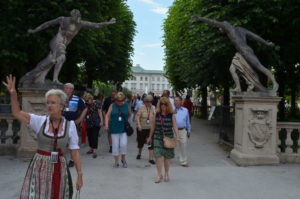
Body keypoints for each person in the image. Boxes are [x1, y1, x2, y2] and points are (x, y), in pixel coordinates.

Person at [3, 75, 83, 199]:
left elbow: (75, 152)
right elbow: (17, 113)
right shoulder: (39, 121)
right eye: (48, 102)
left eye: (53, 103)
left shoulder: (70, 126)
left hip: (59, 167)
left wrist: (80, 174)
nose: (49, 105)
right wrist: (13, 94)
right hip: (40, 166)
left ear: (62, 106)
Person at [19, 9, 116, 85]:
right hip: (56, 42)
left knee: (50, 61)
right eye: (77, 17)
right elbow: (47, 24)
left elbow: (96, 25)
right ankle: (55, 80)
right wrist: (34, 30)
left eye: (79, 17)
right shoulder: (62, 20)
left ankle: (30, 76)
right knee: (61, 57)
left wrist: (108, 23)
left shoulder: (80, 23)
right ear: (72, 16)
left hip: (63, 45)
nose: (78, 20)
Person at [147, 97, 180, 183]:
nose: (163, 106)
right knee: (157, 156)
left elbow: (175, 126)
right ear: (159, 105)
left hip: (168, 138)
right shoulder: (156, 114)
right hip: (158, 137)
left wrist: (177, 136)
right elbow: (153, 126)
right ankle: (159, 174)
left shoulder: (171, 115)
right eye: (161, 104)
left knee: (167, 157)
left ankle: (166, 173)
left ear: (168, 105)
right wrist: (150, 137)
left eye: (165, 104)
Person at [105, 92, 131, 168]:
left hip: (123, 128)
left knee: (124, 144)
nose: (120, 102)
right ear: (115, 100)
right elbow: (107, 115)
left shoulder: (126, 105)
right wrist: (106, 125)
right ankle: (116, 162)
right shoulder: (112, 105)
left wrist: (126, 121)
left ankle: (123, 159)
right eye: (118, 101)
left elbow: (129, 114)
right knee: (115, 145)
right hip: (114, 128)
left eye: (122, 100)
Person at [63, 82, 86, 167]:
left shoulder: (77, 99)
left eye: (68, 88)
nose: (66, 90)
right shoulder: (59, 98)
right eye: (65, 88)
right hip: (61, 122)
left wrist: (80, 119)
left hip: (72, 123)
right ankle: (60, 159)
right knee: (61, 140)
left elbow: (85, 109)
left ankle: (72, 160)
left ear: (72, 90)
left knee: (72, 141)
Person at [81, 93, 103, 158]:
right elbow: (84, 113)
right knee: (90, 136)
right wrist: (82, 121)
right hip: (88, 123)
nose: (87, 102)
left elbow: (99, 112)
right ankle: (91, 148)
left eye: (88, 100)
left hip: (96, 122)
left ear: (91, 98)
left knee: (94, 136)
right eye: (86, 101)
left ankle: (94, 151)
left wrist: (101, 120)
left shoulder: (97, 103)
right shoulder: (86, 104)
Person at [136, 95, 156, 164]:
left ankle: (151, 158)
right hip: (142, 128)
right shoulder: (141, 107)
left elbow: (155, 117)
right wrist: (138, 125)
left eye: (150, 101)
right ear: (144, 101)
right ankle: (139, 153)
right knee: (140, 142)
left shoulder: (153, 108)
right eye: (147, 101)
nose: (149, 103)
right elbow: (138, 117)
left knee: (151, 143)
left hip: (150, 129)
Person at [174, 96, 192, 167]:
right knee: (169, 145)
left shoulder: (185, 110)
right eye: (174, 100)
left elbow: (188, 121)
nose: (175, 102)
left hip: (182, 130)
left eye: (177, 100)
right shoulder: (171, 110)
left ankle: (184, 161)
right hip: (173, 130)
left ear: (181, 102)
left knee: (183, 145)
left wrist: (189, 130)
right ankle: (166, 158)